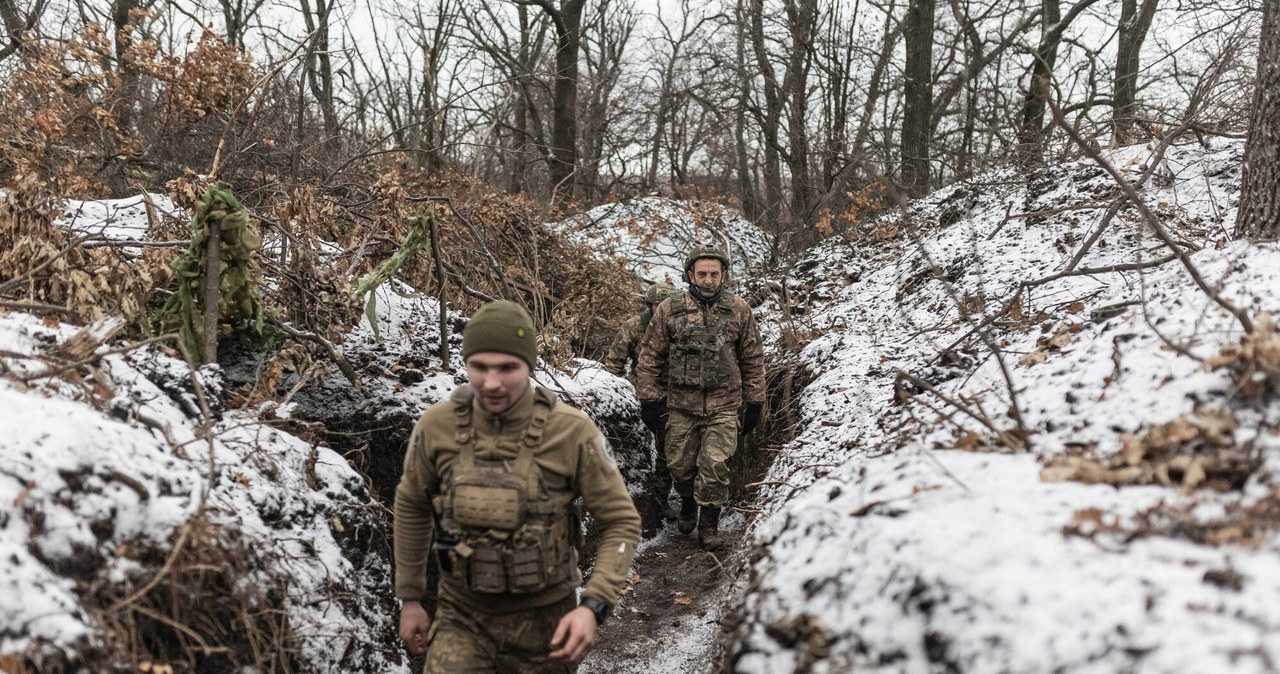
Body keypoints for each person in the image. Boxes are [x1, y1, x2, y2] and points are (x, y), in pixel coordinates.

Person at [395, 300, 642, 672]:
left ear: (529, 365)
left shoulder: (572, 432)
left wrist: (593, 606)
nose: (491, 382)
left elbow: (620, 521)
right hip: (462, 614)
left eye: (507, 368)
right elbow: (412, 504)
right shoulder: (437, 426)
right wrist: (411, 599)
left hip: (546, 621)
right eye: (479, 367)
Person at [635, 244, 765, 551]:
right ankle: (688, 502)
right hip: (681, 405)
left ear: (723, 276)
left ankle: (709, 525)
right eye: (702, 274)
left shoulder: (739, 310)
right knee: (680, 466)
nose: (708, 280)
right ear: (691, 275)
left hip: (724, 405)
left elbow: (752, 357)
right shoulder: (670, 308)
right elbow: (650, 355)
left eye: (714, 274)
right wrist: (649, 399)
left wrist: (755, 402)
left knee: (715, 464)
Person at [602, 281, 679, 521]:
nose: (661, 309)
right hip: (642, 396)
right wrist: (614, 391)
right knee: (648, 448)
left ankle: (663, 497)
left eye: (666, 305)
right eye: (657, 305)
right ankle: (652, 498)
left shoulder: (681, 326)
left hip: (675, 396)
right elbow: (614, 362)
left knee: (669, 449)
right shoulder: (634, 326)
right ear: (649, 305)